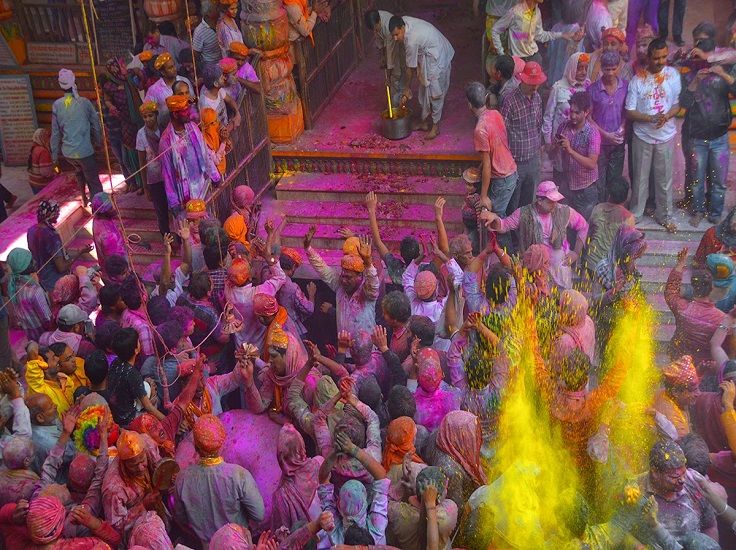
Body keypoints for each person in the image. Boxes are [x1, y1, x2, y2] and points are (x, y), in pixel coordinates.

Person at [174, 414, 265, 549]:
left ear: (196, 447)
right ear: (222, 445)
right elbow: (259, 514)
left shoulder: (182, 479)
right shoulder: (239, 475)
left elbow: (181, 519)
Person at [480, 181, 589, 289]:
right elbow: (504, 225)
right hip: (535, 270)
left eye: (556, 201)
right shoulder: (523, 213)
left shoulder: (564, 211)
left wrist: (575, 253)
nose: (555, 204)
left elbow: (583, 226)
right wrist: (494, 218)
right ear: (540, 200)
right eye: (551, 201)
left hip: (560, 270)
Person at [680, 22, 736, 227]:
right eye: (696, 42)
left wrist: (721, 73)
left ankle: (715, 213)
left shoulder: (726, 62)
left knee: (719, 181)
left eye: (703, 42)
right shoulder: (689, 67)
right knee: (696, 179)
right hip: (697, 136)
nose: (698, 45)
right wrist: (694, 82)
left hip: (720, 136)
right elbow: (683, 102)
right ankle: (697, 211)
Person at [625, 38, 681, 232]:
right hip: (642, 136)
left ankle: (664, 214)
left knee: (664, 179)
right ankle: (637, 214)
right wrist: (650, 118)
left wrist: (667, 116)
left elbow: (676, 104)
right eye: (657, 58)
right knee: (640, 179)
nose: (661, 61)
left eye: (664, 57)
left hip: (665, 136)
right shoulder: (638, 79)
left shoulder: (673, 75)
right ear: (649, 57)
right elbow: (629, 111)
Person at [637, 439, 719, 544]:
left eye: (684, 473)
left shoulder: (695, 482)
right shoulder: (635, 490)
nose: (682, 480)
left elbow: (710, 526)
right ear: (655, 473)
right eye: (674, 476)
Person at [318, 431, 390, 546]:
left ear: (338, 506)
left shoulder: (333, 532)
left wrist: (334, 453)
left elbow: (322, 479)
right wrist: (353, 449)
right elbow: (381, 476)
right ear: (366, 503)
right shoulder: (377, 531)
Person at [391, 15, 455, 140]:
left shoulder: (411, 40)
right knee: (423, 90)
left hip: (437, 57)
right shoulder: (404, 20)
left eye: (397, 34)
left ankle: (435, 127)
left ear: (402, 27)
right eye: (393, 35)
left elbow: (410, 69)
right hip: (428, 56)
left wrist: (406, 89)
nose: (395, 38)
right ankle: (424, 121)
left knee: (435, 94)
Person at [159, 94, 221, 219]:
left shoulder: (192, 127)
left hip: (203, 186)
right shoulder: (166, 141)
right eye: (185, 111)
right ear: (175, 114)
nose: (189, 113)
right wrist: (174, 203)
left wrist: (215, 175)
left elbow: (205, 153)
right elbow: (167, 175)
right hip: (184, 193)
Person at [306, 231, 379, 336]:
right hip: (344, 349)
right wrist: (308, 248)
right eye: (343, 276)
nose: (344, 280)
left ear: (359, 276)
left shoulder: (367, 292)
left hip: (366, 350)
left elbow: (373, 281)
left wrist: (368, 262)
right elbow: (322, 269)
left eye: (348, 277)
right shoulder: (340, 286)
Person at [666, 248, 726, 369]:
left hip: (679, 363)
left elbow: (670, 291)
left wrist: (680, 264)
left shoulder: (681, 308)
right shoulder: (722, 319)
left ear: (693, 286)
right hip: (705, 369)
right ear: (712, 289)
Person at [465, 81, 518, 217]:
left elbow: (488, 165)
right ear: (486, 97)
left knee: (495, 221)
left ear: (469, 104)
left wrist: (483, 197)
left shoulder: (480, 129)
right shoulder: (495, 114)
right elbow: (497, 146)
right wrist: (481, 166)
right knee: (507, 219)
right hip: (512, 171)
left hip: (502, 178)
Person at [51, 68, 103, 201]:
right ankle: (98, 208)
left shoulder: (57, 105)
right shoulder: (84, 103)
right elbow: (96, 124)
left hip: (68, 153)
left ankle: (84, 198)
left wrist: (54, 156)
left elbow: (55, 133)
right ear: (74, 82)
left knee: (79, 171)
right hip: (84, 151)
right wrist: (99, 142)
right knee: (93, 181)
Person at [501, 62, 546, 211]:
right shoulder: (510, 101)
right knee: (514, 203)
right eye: (531, 83)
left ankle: (524, 232)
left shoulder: (538, 98)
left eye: (537, 83)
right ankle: (513, 234)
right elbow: (502, 132)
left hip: (533, 159)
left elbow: (538, 125)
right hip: (516, 162)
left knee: (529, 203)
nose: (534, 86)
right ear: (522, 80)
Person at [543, 52, 591, 187]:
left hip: (581, 141)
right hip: (560, 141)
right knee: (561, 177)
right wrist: (547, 141)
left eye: (586, 68)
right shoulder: (558, 88)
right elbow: (548, 116)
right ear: (571, 67)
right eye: (579, 68)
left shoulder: (588, 86)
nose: (583, 72)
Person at [101, 429, 162, 534]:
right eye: (133, 465)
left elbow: (161, 467)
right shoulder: (113, 488)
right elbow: (116, 526)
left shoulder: (147, 444)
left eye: (142, 461)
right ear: (123, 463)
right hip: (139, 528)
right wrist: (143, 506)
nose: (140, 468)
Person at [424, 410, 487, 508]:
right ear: (461, 437)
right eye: (472, 433)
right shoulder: (452, 472)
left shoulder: (443, 435)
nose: (476, 435)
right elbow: (458, 507)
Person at [27, 199, 92, 292]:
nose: (58, 215)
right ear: (50, 214)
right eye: (57, 212)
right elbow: (61, 267)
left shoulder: (31, 230)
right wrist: (80, 253)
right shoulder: (52, 236)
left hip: (43, 279)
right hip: (57, 282)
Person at [555, 91, 601, 220]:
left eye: (577, 112)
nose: (573, 116)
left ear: (586, 112)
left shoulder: (592, 133)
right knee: (565, 224)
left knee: (583, 228)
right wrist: (555, 146)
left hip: (585, 189)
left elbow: (592, 164)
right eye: (571, 112)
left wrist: (570, 151)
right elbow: (552, 154)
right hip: (566, 185)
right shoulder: (563, 127)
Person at [491, 0, 583, 63]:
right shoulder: (515, 12)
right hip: (517, 59)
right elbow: (495, 30)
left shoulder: (537, 12)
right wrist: (501, 54)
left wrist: (562, 35)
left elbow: (540, 36)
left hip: (534, 56)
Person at [106, 328, 164, 427]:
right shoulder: (132, 374)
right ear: (136, 350)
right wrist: (168, 421)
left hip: (115, 410)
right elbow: (148, 407)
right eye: (138, 341)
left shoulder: (115, 363)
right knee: (156, 400)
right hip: (127, 419)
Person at [589, 51, 627, 200]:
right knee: (599, 179)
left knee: (614, 179)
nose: (610, 72)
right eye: (606, 69)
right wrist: (605, 134)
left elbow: (627, 112)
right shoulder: (593, 90)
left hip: (618, 142)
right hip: (599, 143)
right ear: (601, 68)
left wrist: (623, 128)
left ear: (619, 67)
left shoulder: (625, 87)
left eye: (613, 68)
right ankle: (600, 209)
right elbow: (589, 117)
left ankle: (612, 209)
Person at [271, 423, 323, 531]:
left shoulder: (282, 496)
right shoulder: (320, 463)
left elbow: (282, 535)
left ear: (281, 457)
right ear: (302, 448)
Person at [584, 176, 635, 273]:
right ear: (626, 197)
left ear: (609, 194)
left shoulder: (597, 208)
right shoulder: (628, 217)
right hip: (610, 268)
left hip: (592, 263)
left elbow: (587, 235)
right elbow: (628, 247)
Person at [135, 101, 170, 237]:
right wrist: (145, 187)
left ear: (156, 115)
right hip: (154, 179)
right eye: (145, 117)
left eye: (150, 116)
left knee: (174, 209)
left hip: (169, 176)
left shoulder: (164, 129)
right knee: (161, 213)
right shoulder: (141, 134)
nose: (148, 119)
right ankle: (168, 241)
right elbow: (142, 162)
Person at [6, 247, 52, 342]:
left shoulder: (14, 285)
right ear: (23, 266)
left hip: (31, 335)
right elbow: (47, 319)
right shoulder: (34, 290)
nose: (35, 261)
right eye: (31, 261)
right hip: (45, 336)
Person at [143, 51, 195, 131]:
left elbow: (193, 101)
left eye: (174, 65)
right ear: (162, 72)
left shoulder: (184, 81)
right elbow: (147, 112)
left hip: (188, 127)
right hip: (167, 130)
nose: (174, 69)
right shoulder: (154, 90)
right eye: (170, 68)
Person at [364, 9, 405, 104]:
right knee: (393, 73)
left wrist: (388, 77)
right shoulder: (375, 20)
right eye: (373, 29)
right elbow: (379, 40)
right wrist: (382, 56)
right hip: (389, 45)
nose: (375, 31)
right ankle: (395, 101)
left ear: (379, 21)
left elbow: (390, 57)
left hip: (397, 42)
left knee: (396, 73)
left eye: (375, 28)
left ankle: (398, 103)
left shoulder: (388, 27)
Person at [90, 192, 127, 270]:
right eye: (111, 208)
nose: (115, 208)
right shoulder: (108, 235)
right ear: (103, 211)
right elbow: (116, 264)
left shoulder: (99, 218)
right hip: (118, 273)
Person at [199, 63, 242, 128]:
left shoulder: (218, 90)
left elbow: (230, 100)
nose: (225, 78)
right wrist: (231, 126)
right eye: (222, 77)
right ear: (216, 84)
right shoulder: (206, 105)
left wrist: (237, 113)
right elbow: (213, 128)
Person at [193, 0, 222, 67]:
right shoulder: (199, 31)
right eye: (216, 8)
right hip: (210, 66)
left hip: (224, 61)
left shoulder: (221, 21)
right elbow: (196, 53)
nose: (219, 9)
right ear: (208, 13)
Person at [27, 128, 54, 194]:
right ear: (43, 138)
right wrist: (56, 171)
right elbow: (45, 173)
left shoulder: (33, 147)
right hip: (41, 183)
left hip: (33, 181)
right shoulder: (43, 151)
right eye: (48, 138)